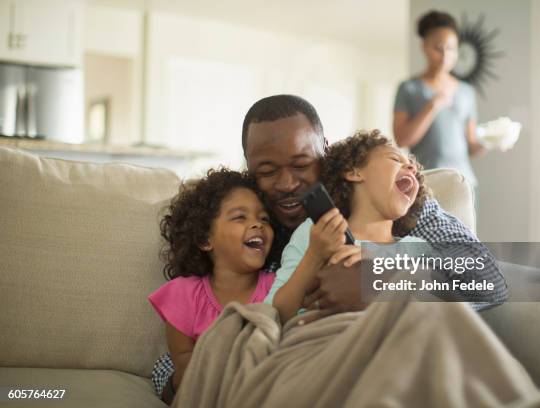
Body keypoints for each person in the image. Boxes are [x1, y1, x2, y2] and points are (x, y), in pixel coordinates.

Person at [243, 94, 506, 320]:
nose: (287, 183)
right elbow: (272, 314)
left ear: (326, 151)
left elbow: (485, 280)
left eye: (301, 165)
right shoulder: (245, 218)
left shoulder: (411, 217)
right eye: (266, 171)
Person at [148, 168, 276, 403]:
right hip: (200, 372)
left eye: (264, 218)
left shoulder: (277, 288)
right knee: (166, 366)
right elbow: (184, 358)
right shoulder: (184, 293)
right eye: (240, 217)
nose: (257, 224)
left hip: (256, 373)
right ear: (205, 239)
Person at [393, 10, 487, 191]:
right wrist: (432, 105)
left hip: (464, 183)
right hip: (426, 184)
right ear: (424, 47)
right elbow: (402, 140)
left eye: (451, 49)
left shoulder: (466, 92)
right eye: (438, 48)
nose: (445, 56)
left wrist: (489, 142)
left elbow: (471, 145)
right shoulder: (408, 88)